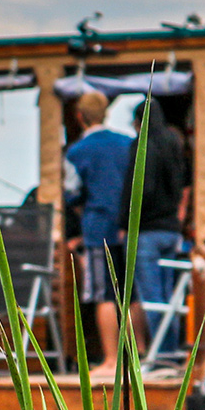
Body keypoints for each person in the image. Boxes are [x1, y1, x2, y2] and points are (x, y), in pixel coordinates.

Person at [63, 91, 134, 377]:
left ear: (79, 117)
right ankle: (137, 354)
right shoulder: (129, 144)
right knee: (132, 294)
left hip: (97, 230)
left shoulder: (76, 152)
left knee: (105, 294)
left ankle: (111, 361)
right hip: (129, 229)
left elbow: (72, 193)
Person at [131, 101, 190, 359]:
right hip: (171, 231)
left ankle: (161, 355)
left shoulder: (143, 145)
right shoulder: (173, 144)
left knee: (152, 297)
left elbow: (137, 191)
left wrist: (125, 223)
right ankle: (172, 351)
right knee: (169, 296)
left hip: (148, 231)